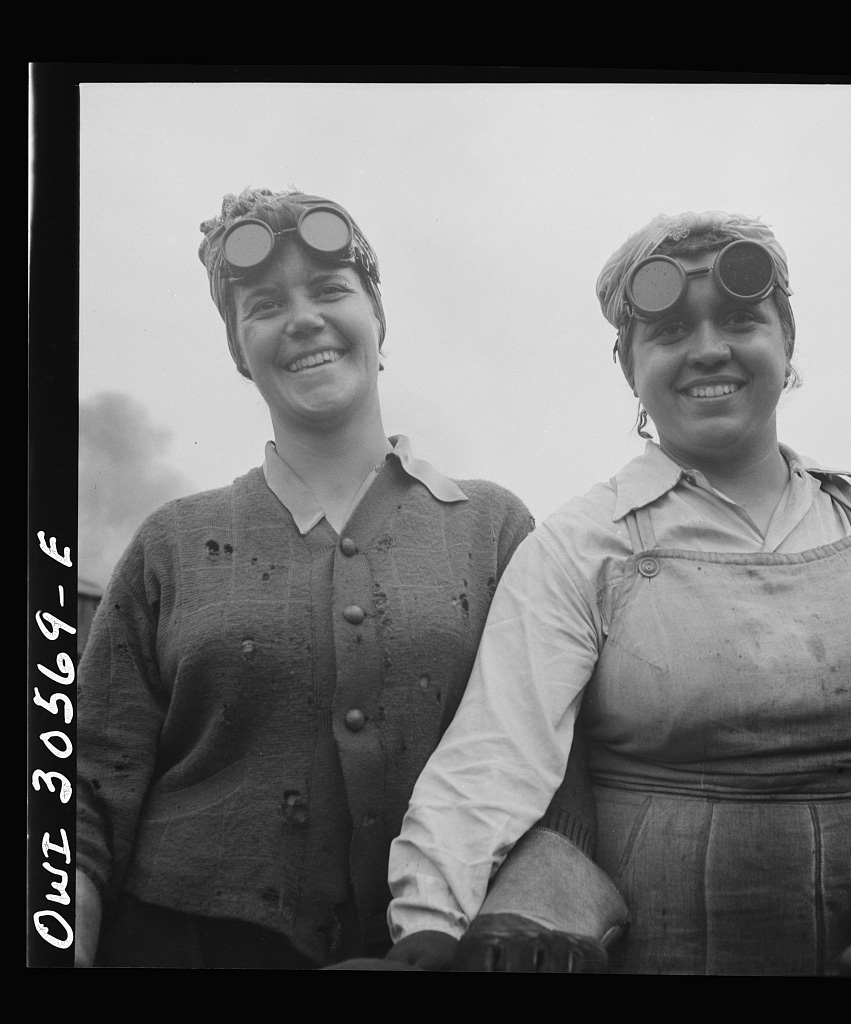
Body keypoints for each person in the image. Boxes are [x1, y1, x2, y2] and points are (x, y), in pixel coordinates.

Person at [387, 211, 851, 975]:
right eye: (669, 332)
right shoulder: (579, 546)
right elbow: (490, 765)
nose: (709, 349)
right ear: (626, 364)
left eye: (741, 319)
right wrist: (427, 936)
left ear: (787, 338)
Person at [75, 188, 533, 968]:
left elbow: (548, 763)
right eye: (263, 305)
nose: (302, 320)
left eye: (329, 291)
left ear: (377, 317)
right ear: (236, 349)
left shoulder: (494, 529)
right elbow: (85, 793)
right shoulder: (171, 542)